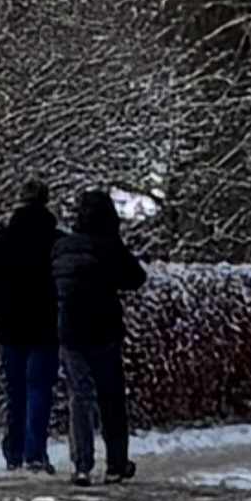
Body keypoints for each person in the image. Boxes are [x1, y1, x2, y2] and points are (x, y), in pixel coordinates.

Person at [53, 186, 148, 481]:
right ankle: (117, 465)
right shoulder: (108, 247)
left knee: (80, 396)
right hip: (104, 329)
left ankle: (82, 464)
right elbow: (136, 278)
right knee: (111, 398)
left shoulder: (62, 247)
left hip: (69, 330)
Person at [0, 183, 62, 469]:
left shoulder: (0, 241)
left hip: (11, 326)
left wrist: (0, 308)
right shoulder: (57, 242)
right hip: (46, 326)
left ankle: (14, 450)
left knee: (15, 391)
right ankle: (34, 451)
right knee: (39, 388)